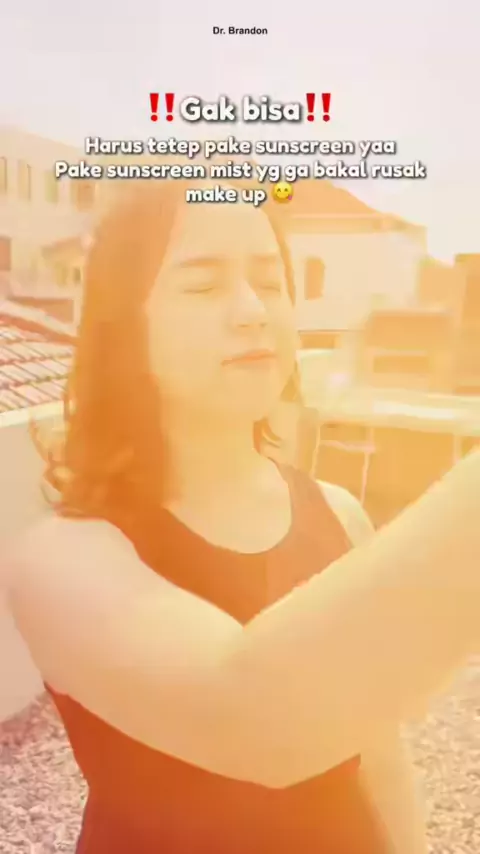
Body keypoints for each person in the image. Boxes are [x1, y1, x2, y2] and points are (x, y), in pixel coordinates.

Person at [4, 178, 479, 854]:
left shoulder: (339, 514)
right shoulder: (61, 557)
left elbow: (376, 754)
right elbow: (255, 721)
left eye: (271, 281)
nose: (253, 310)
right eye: (204, 286)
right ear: (124, 329)